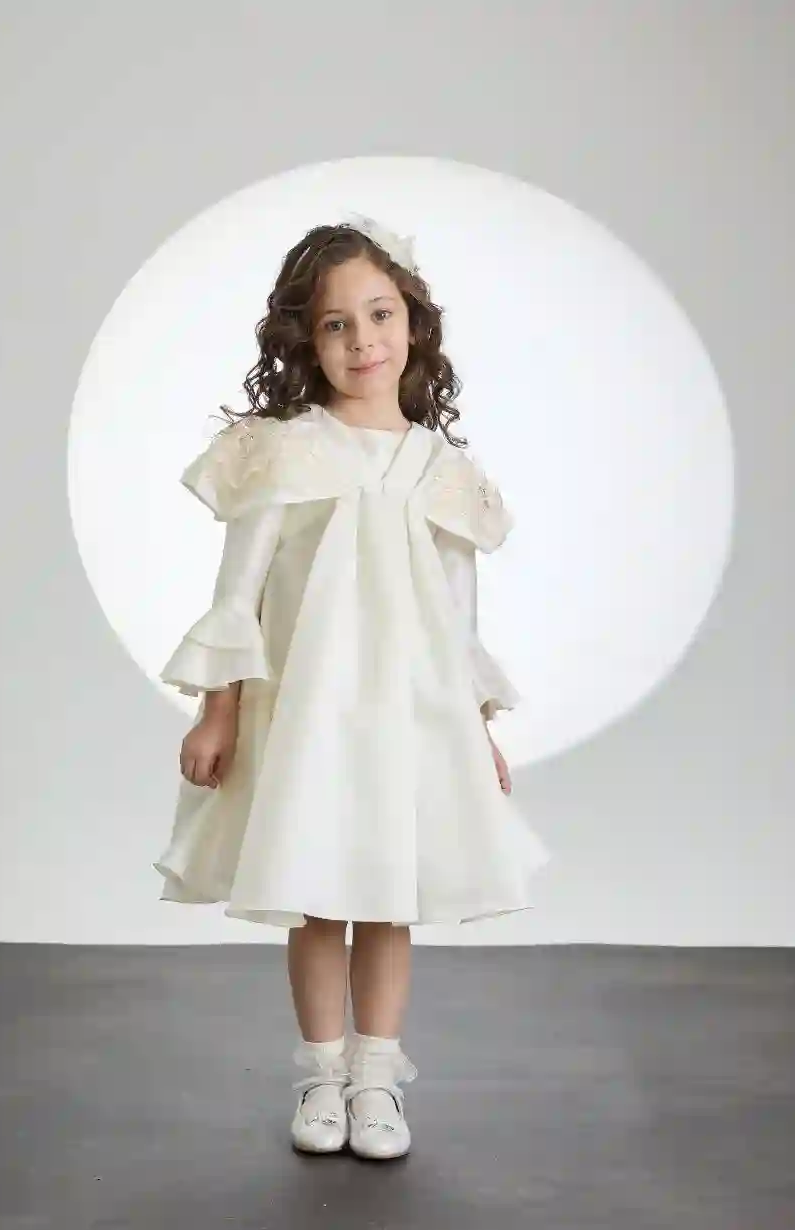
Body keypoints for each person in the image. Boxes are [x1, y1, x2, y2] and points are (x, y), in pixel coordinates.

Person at [154, 213, 550, 1160]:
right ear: (307, 338)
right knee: (317, 896)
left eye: (379, 315)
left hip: (408, 717)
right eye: (336, 324)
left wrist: (476, 729)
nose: (362, 340)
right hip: (310, 712)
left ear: (413, 323)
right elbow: (240, 590)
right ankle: (322, 1075)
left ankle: (378, 1080)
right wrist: (218, 708)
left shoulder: (442, 472)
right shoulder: (286, 451)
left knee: (386, 897)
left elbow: (457, 615)